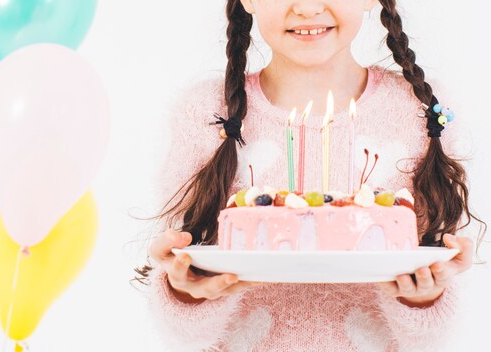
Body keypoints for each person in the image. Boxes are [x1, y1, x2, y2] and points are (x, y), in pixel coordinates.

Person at [138, 0, 484, 350]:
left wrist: (424, 298)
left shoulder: (418, 112)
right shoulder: (206, 114)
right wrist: (185, 292)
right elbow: (180, 331)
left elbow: (437, 332)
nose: (306, 8)